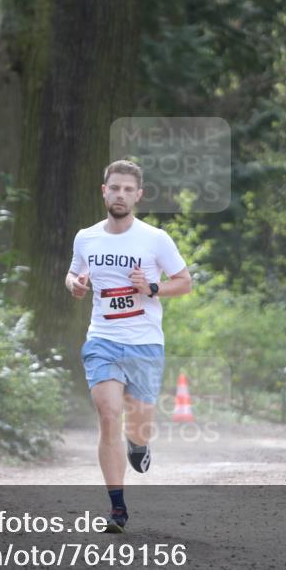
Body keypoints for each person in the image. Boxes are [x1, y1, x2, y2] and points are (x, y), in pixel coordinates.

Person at [65, 160, 192, 533]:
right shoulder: (86, 237)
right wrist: (74, 282)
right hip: (102, 339)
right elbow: (74, 272)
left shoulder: (155, 239)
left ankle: (138, 445)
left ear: (138, 195)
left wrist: (151, 288)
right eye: (114, 188)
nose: (120, 194)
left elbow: (184, 282)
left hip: (144, 343)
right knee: (108, 415)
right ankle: (117, 509)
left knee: (139, 427)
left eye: (127, 190)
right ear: (104, 190)